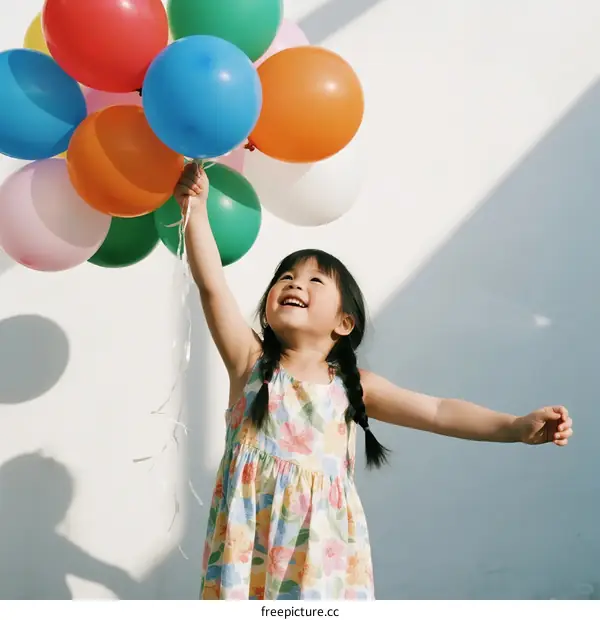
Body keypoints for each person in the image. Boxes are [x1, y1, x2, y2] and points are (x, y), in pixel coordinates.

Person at [174, 163, 574, 601]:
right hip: (248, 554)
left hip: (321, 569)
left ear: (344, 323)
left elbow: (438, 412)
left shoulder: (351, 386)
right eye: (285, 276)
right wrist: (193, 208)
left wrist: (515, 427)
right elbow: (212, 284)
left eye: (314, 280)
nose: (293, 283)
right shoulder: (250, 364)